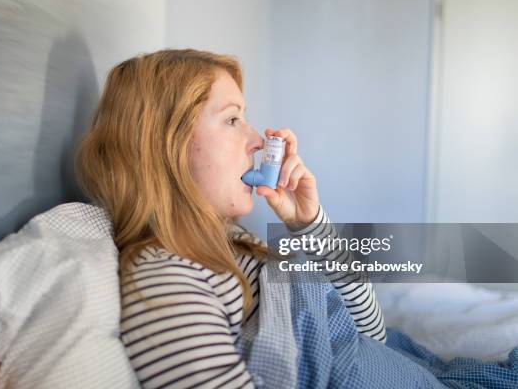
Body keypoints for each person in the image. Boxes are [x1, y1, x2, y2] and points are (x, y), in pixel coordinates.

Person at [75, 49, 386, 389]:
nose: (257, 141)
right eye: (232, 119)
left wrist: (310, 224)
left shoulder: (234, 242)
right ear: (166, 144)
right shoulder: (168, 285)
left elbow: (370, 338)